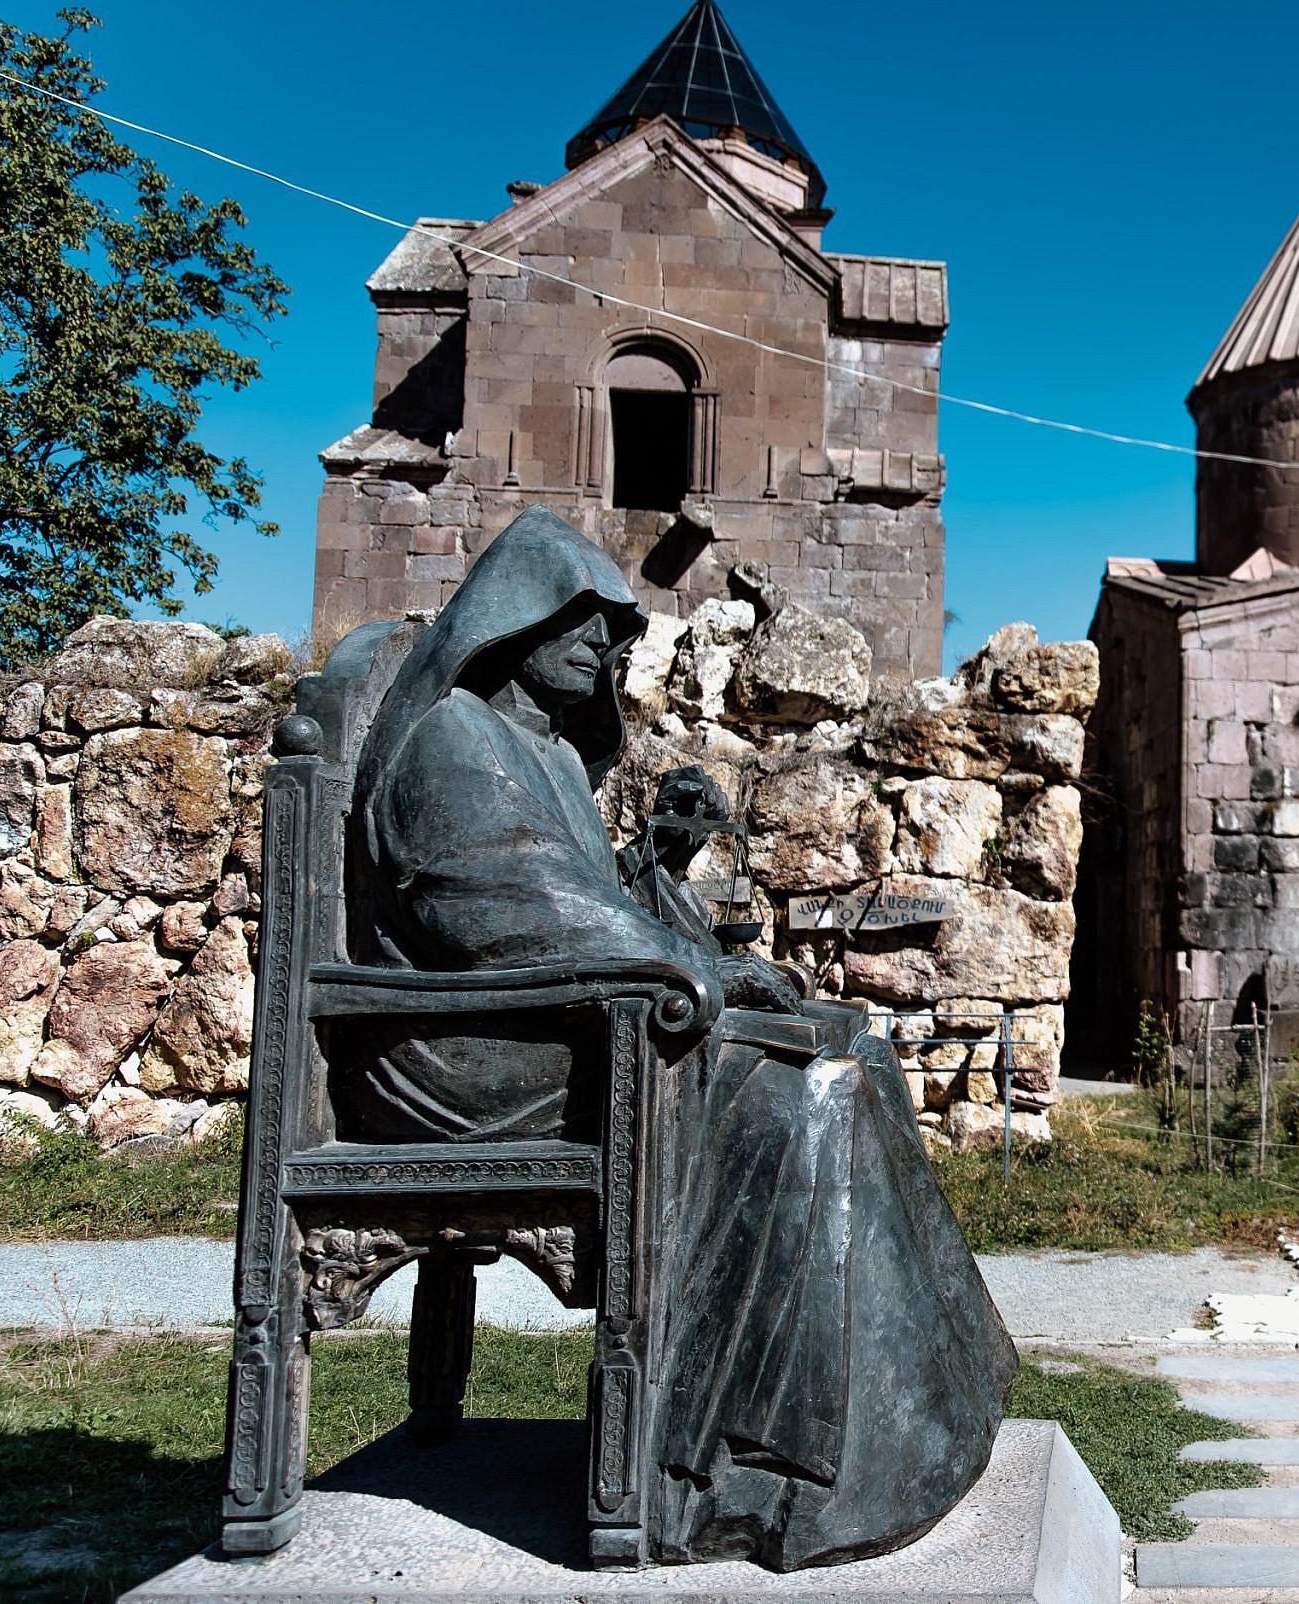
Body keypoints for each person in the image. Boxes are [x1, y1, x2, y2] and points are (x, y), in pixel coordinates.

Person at [344, 506, 1016, 1569]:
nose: (610, 654)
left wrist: (687, 928)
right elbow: (507, 909)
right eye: (591, 630)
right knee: (808, 1091)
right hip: (467, 1055)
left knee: (851, 1044)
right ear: (521, 623)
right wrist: (690, 968)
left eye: (618, 636)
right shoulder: (453, 739)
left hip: (550, 1018)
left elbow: (585, 897)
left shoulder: (546, 752)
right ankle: (741, 1464)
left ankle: (913, 1416)